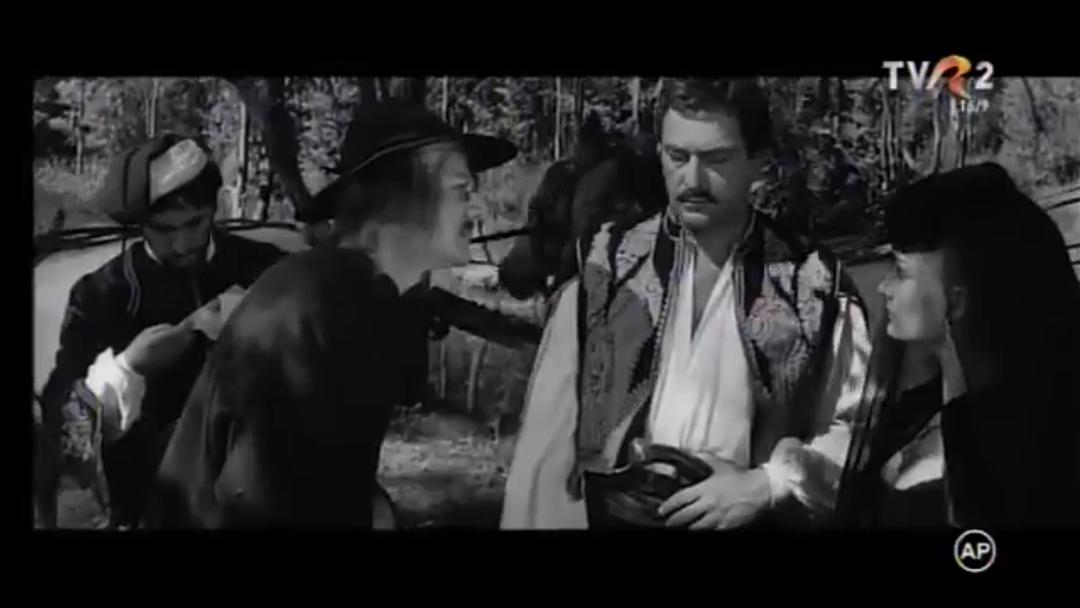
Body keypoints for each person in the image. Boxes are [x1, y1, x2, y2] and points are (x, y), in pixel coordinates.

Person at [502, 78, 871, 530]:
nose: (692, 180)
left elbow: (858, 430)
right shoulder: (606, 264)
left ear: (758, 162)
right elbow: (545, 445)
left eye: (716, 160)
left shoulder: (811, 281)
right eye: (678, 157)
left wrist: (768, 484)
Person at [147, 100, 517, 528]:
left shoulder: (358, 296)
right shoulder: (323, 308)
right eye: (461, 191)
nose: (478, 210)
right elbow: (258, 504)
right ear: (398, 195)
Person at [37, 134, 286, 528]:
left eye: (196, 223)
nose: (183, 243)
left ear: (215, 208)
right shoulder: (100, 294)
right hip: (147, 502)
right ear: (140, 225)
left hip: (262, 492)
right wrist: (127, 368)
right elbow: (63, 412)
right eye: (164, 229)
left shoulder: (265, 266)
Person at [835, 163, 1080, 529]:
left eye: (901, 271)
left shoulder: (1015, 450)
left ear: (958, 300)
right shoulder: (920, 409)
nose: (884, 287)